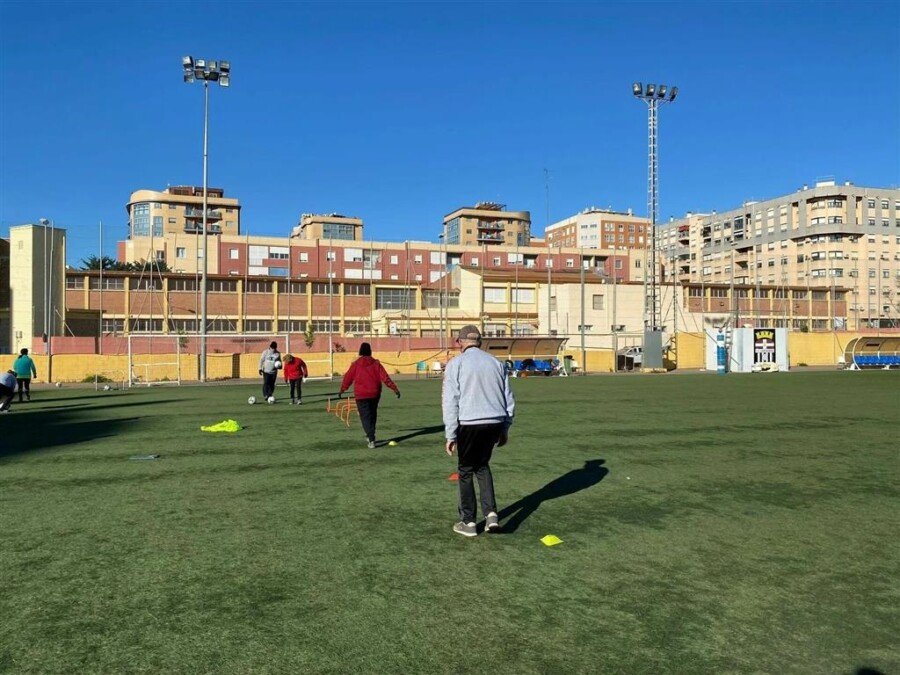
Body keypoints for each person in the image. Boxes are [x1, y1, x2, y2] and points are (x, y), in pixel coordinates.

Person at [442, 325, 515, 538]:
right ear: (480, 341)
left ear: (461, 341)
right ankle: (491, 514)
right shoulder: (495, 363)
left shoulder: (456, 364)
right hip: (494, 421)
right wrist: (505, 426)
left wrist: (450, 434)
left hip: (469, 422)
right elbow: (508, 398)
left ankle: (469, 521)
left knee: (465, 470)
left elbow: (450, 401)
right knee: (482, 467)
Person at [339, 342, 400, 449]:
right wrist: (394, 389)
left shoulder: (356, 364)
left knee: (365, 417)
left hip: (361, 395)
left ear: (360, 351)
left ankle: (371, 438)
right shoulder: (376, 364)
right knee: (372, 414)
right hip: (375, 393)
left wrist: (342, 390)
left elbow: (347, 378)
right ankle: (370, 434)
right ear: (370, 351)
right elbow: (385, 378)